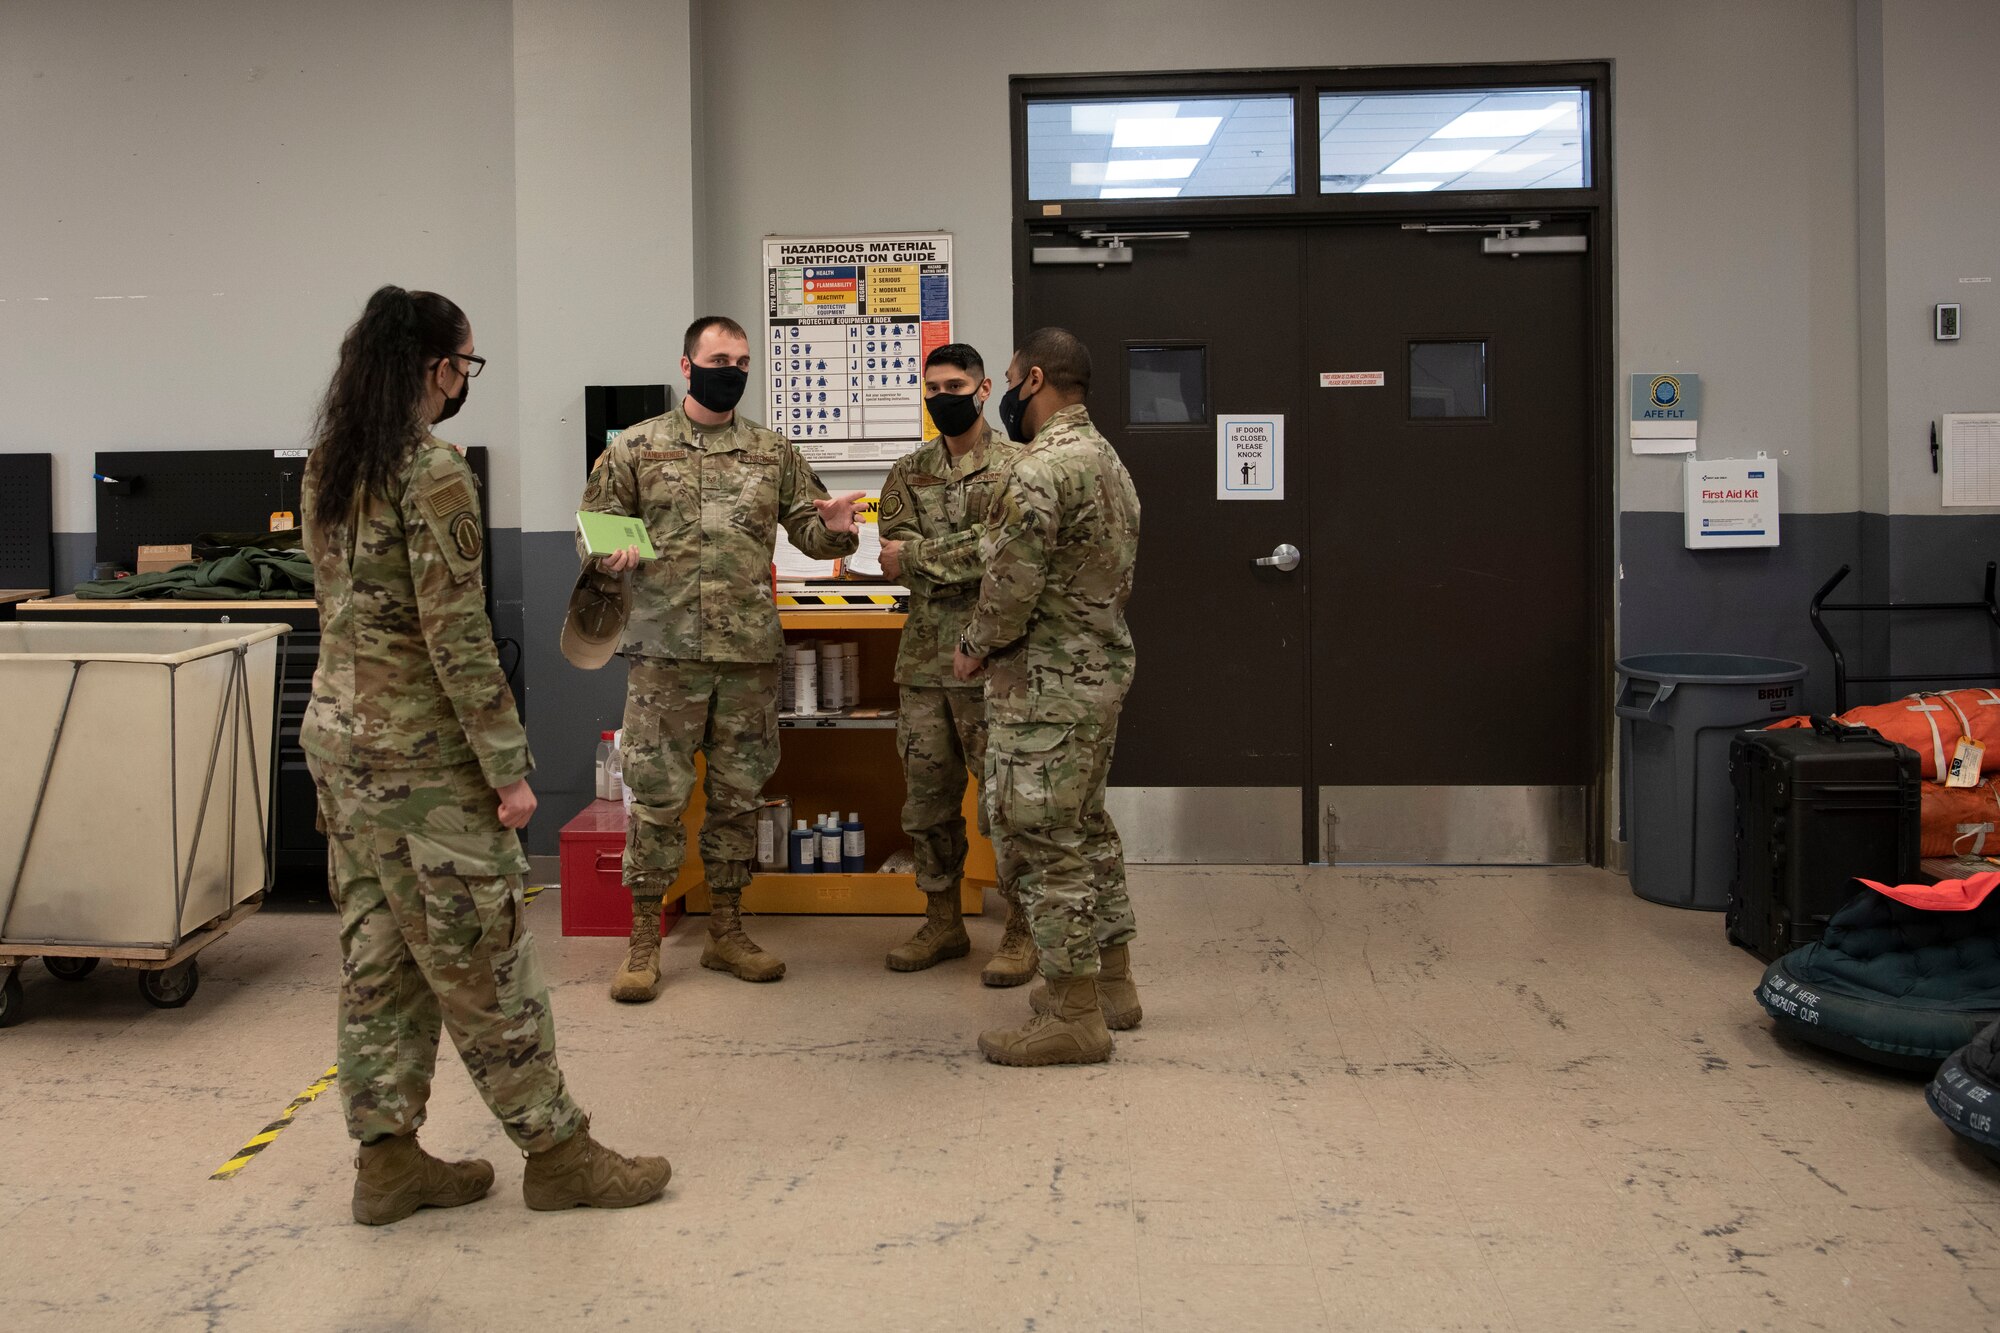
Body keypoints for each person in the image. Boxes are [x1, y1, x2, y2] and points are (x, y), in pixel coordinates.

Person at [301, 285, 669, 1224]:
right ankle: (558, 1153)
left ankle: (386, 1163)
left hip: (343, 753)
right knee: (487, 962)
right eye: (466, 364)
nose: (468, 380)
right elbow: (455, 634)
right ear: (436, 368)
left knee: (378, 959)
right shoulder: (431, 472)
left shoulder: (330, 464)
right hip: (424, 768)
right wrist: (508, 769)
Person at [582, 315, 861, 1001]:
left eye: (741, 359)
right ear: (686, 366)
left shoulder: (773, 451)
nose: (730, 368)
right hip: (664, 656)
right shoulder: (636, 449)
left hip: (745, 657)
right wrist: (607, 557)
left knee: (738, 799)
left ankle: (727, 930)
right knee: (655, 800)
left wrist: (834, 533)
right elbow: (595, 533)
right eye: (717, 357)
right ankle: (644, 939)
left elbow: (808, 528)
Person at [954, 327, 1142, 1067]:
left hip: (1044, 689)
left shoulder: (1040, 470)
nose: (1005, 393)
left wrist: (972, 647)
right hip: (1095, 678)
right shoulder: (1109, 462)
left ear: (1034, 381)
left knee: (1040, 840)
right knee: (1087, 827)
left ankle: (1072, 1010)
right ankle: (1113, 982)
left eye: (1007, 380)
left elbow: (1009, 586)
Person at [876, 344, 1033, 982]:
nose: (944, 395)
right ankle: (943, 922)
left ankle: (1022, 928)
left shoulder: (1021, 468)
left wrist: (924, 557)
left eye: (955, 384)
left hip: (997, 662)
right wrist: (951, 553)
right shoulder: (906, 471)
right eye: (932, 385)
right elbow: (892, 552)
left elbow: (1003, 553)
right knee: (926, 803)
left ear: (985, 386)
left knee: (1010, 802)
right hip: (923, 665)